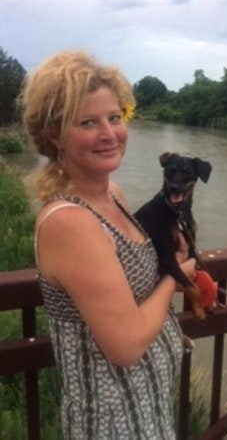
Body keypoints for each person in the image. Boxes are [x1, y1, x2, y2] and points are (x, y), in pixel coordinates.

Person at [19, 50, 196, 439]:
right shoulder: (69, 222)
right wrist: (176, 278)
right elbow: (126, 345)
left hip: (148, 407)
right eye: (87, 122)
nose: (109, 133)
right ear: (54, 135)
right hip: (112, 422)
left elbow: (126, 290)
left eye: (114, 118)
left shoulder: (112, 194)